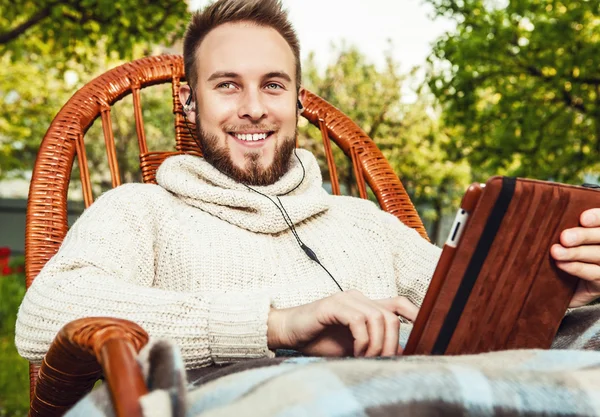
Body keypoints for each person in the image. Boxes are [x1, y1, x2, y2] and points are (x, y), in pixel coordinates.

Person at [15, 0, 600, 370]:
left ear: (298, 101)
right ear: (190, 105)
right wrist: (277, 324)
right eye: (226, 85)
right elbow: (44, 315)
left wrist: (559, 293)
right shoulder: (138, 210)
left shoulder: (365, 222)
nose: (253, 108)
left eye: (272, 85)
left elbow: (475, 313)